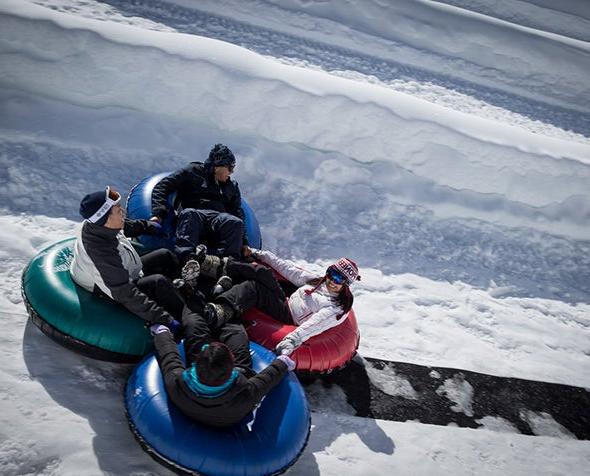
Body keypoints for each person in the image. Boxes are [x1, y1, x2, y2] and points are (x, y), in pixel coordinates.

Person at [196, 247, 361, 356]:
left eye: (339, 278)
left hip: (289, 316)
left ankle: (220, 311)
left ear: (346, 284)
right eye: (332, 273)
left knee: (254, 288)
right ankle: (213, 265)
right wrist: (258, 253)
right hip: (286, 301)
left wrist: (291, 340)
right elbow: (288, 269)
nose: (332, 280)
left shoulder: (336, 308)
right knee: (263, 272)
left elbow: (315, 325)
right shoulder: (319, 281)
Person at [150, 306, 295, 428]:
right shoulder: (244, 394)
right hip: (228, 404)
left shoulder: (177, 383)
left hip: (196, 392)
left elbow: (169, 357)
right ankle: (224, 316)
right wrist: (283, 362)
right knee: (235, 331)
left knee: (193, 323)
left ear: (196, 363)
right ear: (231, 367)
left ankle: (204, 310)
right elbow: (266, 379)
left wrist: (162, 333)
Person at [70, 186, 183, 332]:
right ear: (106, 220)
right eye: (118, 210)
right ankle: (187, 315)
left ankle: (188, 284)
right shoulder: (100, 251)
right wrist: (165, 319)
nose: (122, 211)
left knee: (164, 255)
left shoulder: (101, 226)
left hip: (125, 268)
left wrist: (149, 226)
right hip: (106, 287)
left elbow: (125, 225)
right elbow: (125, 293)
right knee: (158, 282)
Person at [150, 144, 247, 263]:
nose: (231, 172)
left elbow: (237, 211)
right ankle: (187, 260)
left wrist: (245, 242)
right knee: (190, 214)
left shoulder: (231, 187)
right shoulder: (193, 171)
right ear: (218, 166)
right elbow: (162, 187)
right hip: (195, 214)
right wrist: (159, 213)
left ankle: (227, 265)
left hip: (217, 219)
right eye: (230, 168)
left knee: (235, 222)